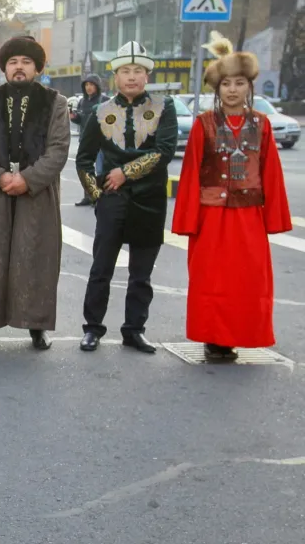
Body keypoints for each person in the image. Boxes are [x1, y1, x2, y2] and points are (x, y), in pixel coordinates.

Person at [172, 32, 291, 361]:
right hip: (211, 216)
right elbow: (192, 174)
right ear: (217, 88)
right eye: (226, 84)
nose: (233, 89)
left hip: (248, 215)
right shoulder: (203, 124)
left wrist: (274, 218)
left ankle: (239, 334)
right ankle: (213, 338)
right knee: (211, 279)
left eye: (239, 82)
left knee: (247, 280)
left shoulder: (262, 124)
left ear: (249, 86)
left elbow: (271, 174)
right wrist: (188, 220)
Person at [0, 35, 70, 350]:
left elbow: (58, 149)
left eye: (25, 62)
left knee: (36, 256)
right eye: (12, 62)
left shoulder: (55, 103)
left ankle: (37, 325)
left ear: (36, 68)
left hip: (37, 193)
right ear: (4, 68)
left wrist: (27, 179)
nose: (19, 68)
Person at [75, 42, 177, 354]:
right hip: (113, 200)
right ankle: (93, 328)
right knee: (101, 268)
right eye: (125, 71)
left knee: (141, 273)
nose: (131, 77)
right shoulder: (100, 112)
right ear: (115, 77)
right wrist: (97, 197)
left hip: (150, 199)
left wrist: (124, 173)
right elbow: (84, 160)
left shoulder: (164, 107)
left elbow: (164, 151)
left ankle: (134, 329)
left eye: (137, 71)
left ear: (147, 76)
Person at [73, 74, 110, 206]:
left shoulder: (105, 99)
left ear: (97, 86)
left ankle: (99, 196)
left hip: (101, 140)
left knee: (100, 169)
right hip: (85, 139)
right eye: (86, 85)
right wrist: (73, 116)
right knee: (84, 168)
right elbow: (81, 120)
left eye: (91, 85)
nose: (89, 88)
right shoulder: (82, 101)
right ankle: (88, 196)